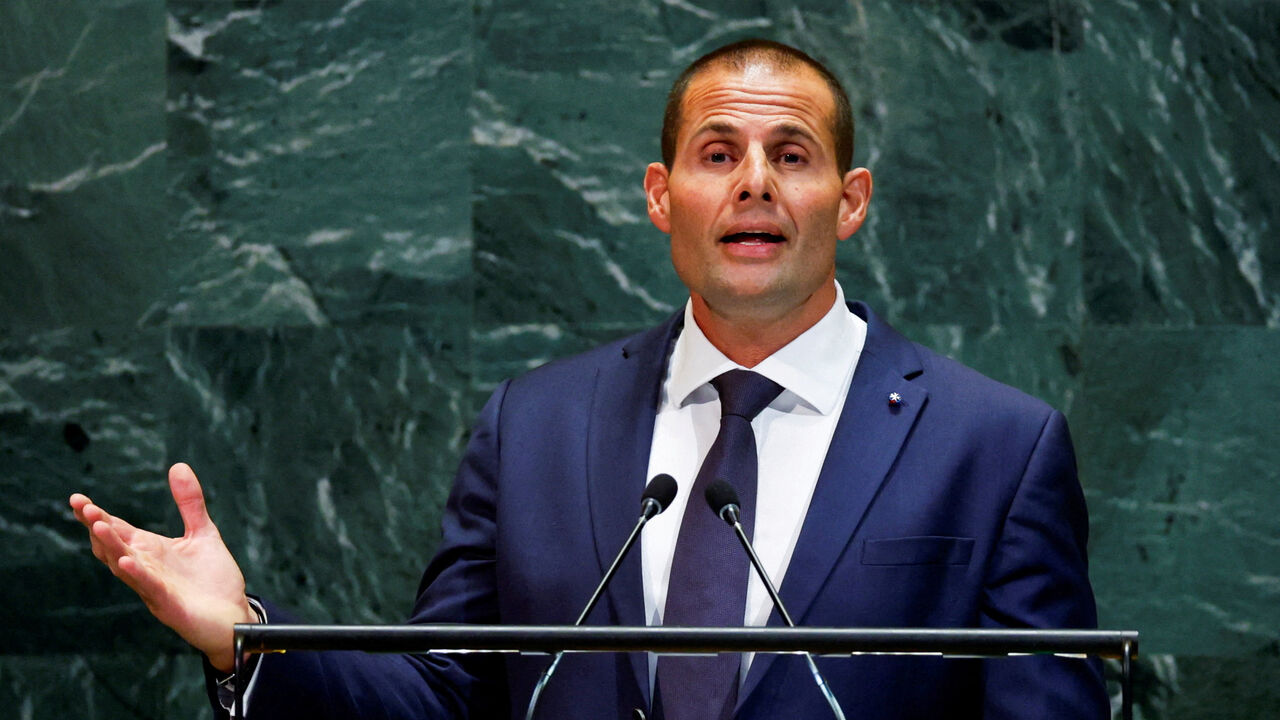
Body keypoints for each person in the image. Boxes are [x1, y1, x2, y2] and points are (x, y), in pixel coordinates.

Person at [70, 39, 1108, 719]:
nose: (753, 180)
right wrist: (248, 633)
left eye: (791, 154)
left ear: (849, 201)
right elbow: (448, 697)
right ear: (661, 197)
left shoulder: (994, 445)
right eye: (716, 153)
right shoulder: (535, 427)